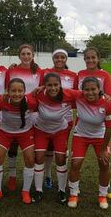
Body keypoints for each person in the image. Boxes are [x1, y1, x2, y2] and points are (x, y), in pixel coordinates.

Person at [67, 77, 111, 209]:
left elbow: (109, 128)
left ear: (99, 89)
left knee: (104, 164)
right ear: (82, 91)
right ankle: (73, 193)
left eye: (93, 89)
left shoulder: (108, 104)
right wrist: (42, 88)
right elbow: (59, 91)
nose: (90, 92)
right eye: (86, 90)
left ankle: (102, 195)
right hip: (81, 135)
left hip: (100, 137)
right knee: (75, 163)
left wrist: (104, 148)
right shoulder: (78, 97)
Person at [0, 78, 38, 205]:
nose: (17, 94)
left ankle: (25, 191)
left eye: (20, 91)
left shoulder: (32, 101)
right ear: (8, 92)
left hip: (25, 133)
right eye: (13, 91)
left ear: (25, 91)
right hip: (5, 132)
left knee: (30, 159)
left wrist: (40, 89)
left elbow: (46, 99)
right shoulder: (1, 100)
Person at [77, 47, 111, 198]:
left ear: (98, 58)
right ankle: (74, 184)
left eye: (93, 57)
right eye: (87, 58)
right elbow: (78, 95)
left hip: (101, 121)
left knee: (104, 156)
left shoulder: (105, 75)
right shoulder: (80, 74)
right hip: (84, 120)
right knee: (78, 158)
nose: (90, 60)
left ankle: (107, 185)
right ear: (84, 59)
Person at [32, 72, 77, 204]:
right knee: (39, 157)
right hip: (41, 130)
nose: (53, 88)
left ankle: (62, 190)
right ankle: (39, 190)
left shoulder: (68, 94)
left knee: (61, 158)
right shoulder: (39, 94)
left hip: (60, 131)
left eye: (56, 85)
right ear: (44, 86)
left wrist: (103, 95)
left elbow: (86, 94)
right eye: (49, 85)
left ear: (60, 85)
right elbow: (22, 98)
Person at [4, 44, 42, 191]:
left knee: (33, 148)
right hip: (13, 112)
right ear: (19, 55)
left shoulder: (39, 71)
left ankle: (42, 178)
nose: (26, 56)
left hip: (32, 113)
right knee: (12, 144)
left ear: (33, 55)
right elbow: (7, 90)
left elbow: (43, 88)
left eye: (29, 54)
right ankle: (12, 176)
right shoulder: (12, 70)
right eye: (23, 54)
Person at [40, 49, 78, 189]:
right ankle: (48, 175)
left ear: (66, 59)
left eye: (62, 57)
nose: (59, 59)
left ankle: (63, 176)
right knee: (48, 148)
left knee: (62, 149)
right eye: (57, 57)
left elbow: (76, 95)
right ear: (53, 58)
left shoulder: (73, 75)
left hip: (65, 118)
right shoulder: (44, 72)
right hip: (47, 118)